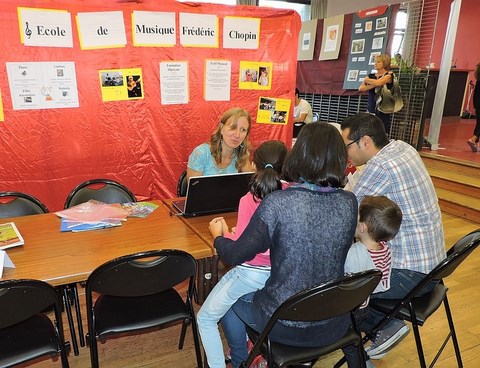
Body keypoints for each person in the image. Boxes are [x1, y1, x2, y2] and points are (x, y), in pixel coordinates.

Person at [209, 123, 363, 368]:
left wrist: (218, 237)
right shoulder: (349, 202)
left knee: (229, 298)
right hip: (334, 321)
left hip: (284, 324)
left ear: (299, 153)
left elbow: (236, 255)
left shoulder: (279, 203)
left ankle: (242, 360)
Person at [340, 112, 446, 359]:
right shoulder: (403, 148)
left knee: (337, 291)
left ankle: (384, 326)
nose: (347, 154)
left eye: (347, 146)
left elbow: (348, 211)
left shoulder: (381, 165)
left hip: (410, 274)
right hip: (434, 265)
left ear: (365, 141)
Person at [197, 140, 288, 368]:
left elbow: (240, 252)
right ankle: (246, 352)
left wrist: (222, 233)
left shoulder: (250, 198)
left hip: (251, 273)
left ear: (254, 165)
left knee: (206, 318)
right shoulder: (294, 193)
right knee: (230, 301)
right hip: (280, 273)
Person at [344, 195, 403, 296]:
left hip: (350, 306)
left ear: (362, 227)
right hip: (365, 302)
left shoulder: (353, 253)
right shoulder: (385, 249)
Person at [187, 107, 253, 180]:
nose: (237, 135)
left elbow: (251, 183)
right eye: (233, 128)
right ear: (221, 128)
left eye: (243, 130)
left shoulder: (241, 154)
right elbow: (194, 190)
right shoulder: (201, 153)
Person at [359, 54, 394, 134]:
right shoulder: (371, 76)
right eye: (375, 62)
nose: (375, 64)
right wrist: (373, 82)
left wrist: (368, 81)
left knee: (381, 132)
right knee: (368, 132)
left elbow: (379, 83)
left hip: (383, 109)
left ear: (384, 63)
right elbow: (361, 88)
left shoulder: (389, 75)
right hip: (371, 107)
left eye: (378, 62)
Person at [467, 63, 480, 152]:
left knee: (479, 123)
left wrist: (475, 106)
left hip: (478, 104)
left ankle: (475, 142)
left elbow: (475, 95)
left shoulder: (478, 80)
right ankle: (473, 139)